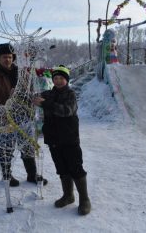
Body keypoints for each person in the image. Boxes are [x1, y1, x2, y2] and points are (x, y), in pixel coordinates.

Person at [0, 43, 48, 187]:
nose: (7, 59)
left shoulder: (21, 72)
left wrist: (36, 97)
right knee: (7, 146)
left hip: (23, 115)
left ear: (13, 57)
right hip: (6, 116)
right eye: (4, 57)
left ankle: (32, 175)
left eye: (10, 57)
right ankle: (7, 176)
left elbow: (30, 88)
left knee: (27, 145)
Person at [32, 65, 91, 215]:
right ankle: (68, 195)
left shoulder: (70, 94)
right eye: (56, 78)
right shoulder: (48, 94)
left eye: (61, 78)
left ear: (66, 80)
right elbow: (33, 96)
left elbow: (66, 111)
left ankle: (84, 199)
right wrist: (22, 95)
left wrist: (45, 103)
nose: (58, 81)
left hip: (69, 138)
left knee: (76, 168)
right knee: (62, 168)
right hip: (53, 139)